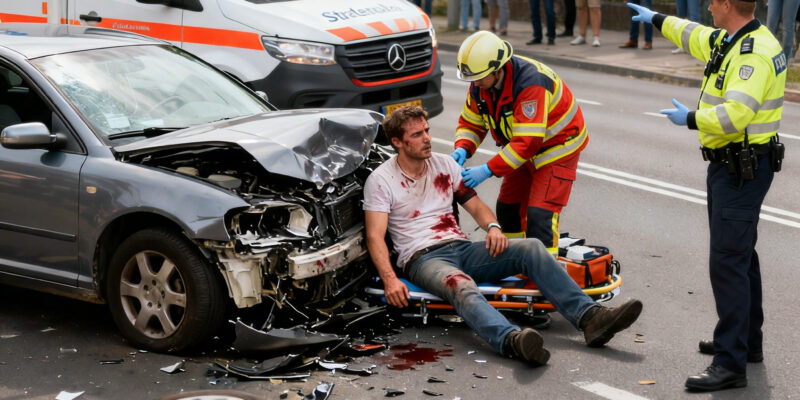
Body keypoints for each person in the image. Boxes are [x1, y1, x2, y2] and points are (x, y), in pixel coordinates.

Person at [364, 105, 643, 366]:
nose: (427, 138)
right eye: (417, 134)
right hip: (423, 259)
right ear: (397, 142)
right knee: (460, 284)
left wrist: (494, 228)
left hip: (461, 248)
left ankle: (591, 319)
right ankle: (511, 340)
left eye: (427, 130)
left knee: (531, 247)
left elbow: (475, 206)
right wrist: (390, 280)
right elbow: (375, 237)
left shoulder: (443, 165)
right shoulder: (381, 180)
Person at [629, 0, 786, 392]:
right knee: (740, 256)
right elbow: (693, 35)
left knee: (728, 263)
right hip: (731, 166)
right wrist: (658, 20)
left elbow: (736, 115)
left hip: (741, 168)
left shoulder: (756, 54)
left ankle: (730, 362)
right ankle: (745, 342)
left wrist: (692, 119)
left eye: (713, 1)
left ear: (729, 5)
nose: (707, 6)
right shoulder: (731, 39)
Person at [451, 31, 589, 255]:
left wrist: (487, 170)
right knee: (508, 210)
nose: (474, 83)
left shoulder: (530, 84)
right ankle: (515, 261)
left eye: (478, 77)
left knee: (540, 216)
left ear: (497, 69)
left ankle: (544, 277)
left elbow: (528, 143)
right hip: (521, 149)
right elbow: (472, 122)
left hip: (557, 149)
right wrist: (462, 148)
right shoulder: (482, 84)